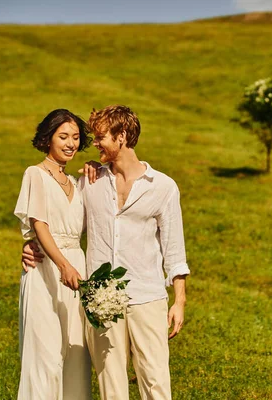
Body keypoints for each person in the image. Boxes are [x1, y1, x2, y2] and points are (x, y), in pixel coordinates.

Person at [23, 105, 190, 400]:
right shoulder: (91, 181)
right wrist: (31, 245)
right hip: (101, 301)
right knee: (110, 387)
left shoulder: (163, 187)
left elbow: (174, 250)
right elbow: (63, 222)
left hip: (147, 297)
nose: (93, 143)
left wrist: (179, 301)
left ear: (122, 136)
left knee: (156, 384)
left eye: (101, 137)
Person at [14, 109, 93, 400]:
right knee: (45, 355)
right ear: (48, 138)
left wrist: (95, 166)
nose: (70, 143)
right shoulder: (35, 174)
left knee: (75, 353)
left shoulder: (77, 182)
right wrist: (63, 265)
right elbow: (39, 224)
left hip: (77, 270)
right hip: (47, 270)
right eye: (63, 136)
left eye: (75, 137)